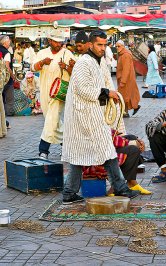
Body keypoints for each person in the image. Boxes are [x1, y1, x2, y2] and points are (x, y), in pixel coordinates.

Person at [62, 30, 139, 204]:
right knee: (80, 154)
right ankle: (119, 189)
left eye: (105, 45)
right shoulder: (83, 62)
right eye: (99, 45)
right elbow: (83, 89)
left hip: (94, 114)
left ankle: (70, 193)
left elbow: (104, 82)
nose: (102, 48)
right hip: (81, 116)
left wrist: (112, 95)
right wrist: (107, 93)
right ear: (90, 44)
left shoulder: (100, 61)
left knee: (104, 151)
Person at [32, 31, 76, 159]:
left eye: (60, 42)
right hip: (45, 91)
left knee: (52, 119)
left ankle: (43, 150)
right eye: (56, 41)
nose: (59, 44)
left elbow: (76, 71)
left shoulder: (67, 53)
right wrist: (42, 63)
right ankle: (67, 146)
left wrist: (66, 66)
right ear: (50, 41)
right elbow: (33, 68)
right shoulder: (42, 53)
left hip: (60, 93)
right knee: (53, 121)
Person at [116, 40, 141, 117]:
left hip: (126, 79)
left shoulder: (125, 55)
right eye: (116, 46)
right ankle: (128, 110)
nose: (117, 48)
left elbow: (126, 69)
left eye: (119, 46)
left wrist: (123, 81)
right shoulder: (123, 54)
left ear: (123, 46)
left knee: (124, 96)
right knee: (126, 96)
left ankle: (125, 112)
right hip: (125, 79)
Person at [0, 35, 15, 117]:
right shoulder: (6, 53)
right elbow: (7, 67)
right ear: (5, 42)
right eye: (9, 41)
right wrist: (13, 76)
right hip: (6, 79)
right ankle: (8, 113)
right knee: (9, 98)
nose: (10, 42)